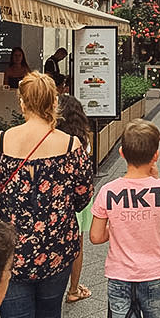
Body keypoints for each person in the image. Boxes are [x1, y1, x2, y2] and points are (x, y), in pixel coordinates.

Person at [0, 72, 94, 318]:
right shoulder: (70, 145)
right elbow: (82, 197)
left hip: (10, 253)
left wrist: (2, 211)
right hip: (56, 249)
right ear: (53, 102)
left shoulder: (0, 142)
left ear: (22, 103)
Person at [90, 119, 160, 318]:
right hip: (155, 273)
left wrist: (117, 227)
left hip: (120, 275)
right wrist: (155, 180)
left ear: (121, 153)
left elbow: (96, 237)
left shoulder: (108, 191)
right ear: (155, 155)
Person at [57, 94, 93, 304]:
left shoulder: (51, 138)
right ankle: (73, 289)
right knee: (77, 243)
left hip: (55, 198)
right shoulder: (82, 140)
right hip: (78, 197)